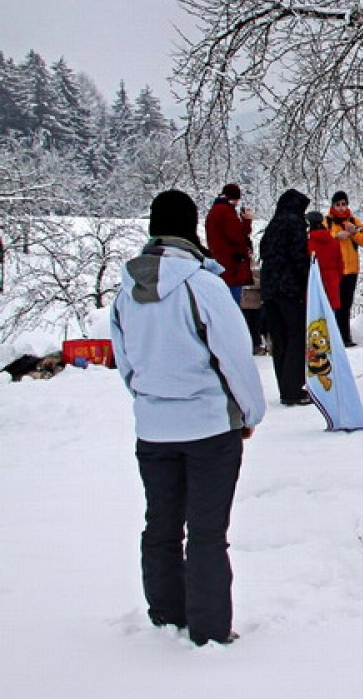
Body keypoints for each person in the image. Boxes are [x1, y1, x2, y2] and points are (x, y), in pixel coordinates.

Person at [110, 189, 266, 647]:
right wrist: (249, 413)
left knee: (160, 523)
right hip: (208, 426)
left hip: (153, 426)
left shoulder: (126, 291)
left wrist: (146, 402)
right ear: (192, 228)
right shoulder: (203, 286)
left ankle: (165, 615)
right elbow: (235, 357)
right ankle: (210, 629)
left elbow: (125, 360)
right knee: (206, 530)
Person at [258, 189, 312, 407]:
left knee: (279, 340)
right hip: (289, 289)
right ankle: (294, 388)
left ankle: (284, 387)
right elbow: (299, 255)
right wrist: (307, 280)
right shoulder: (294, 223)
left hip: (270, 290)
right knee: (296, 338)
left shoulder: (272, 225)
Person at [323, 191, 363, 346]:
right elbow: (321, 240)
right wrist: (336, 236)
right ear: (333, 205)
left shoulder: (354, 221)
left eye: (343, 204)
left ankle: (345, 336)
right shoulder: (327, 222)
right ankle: (334, 336)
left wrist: (353, 233)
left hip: (351, 269)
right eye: (338, 204)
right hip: (334, 270)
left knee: (346, 304)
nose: (341, 208)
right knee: (334, 304)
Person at [203, 184, 253, 305]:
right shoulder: (226, 212)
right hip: (231, 267)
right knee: (232, 303)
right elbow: (237, 235)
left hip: (220, 263)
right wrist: (246, 221)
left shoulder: (215, 210)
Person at [305, 212, 343, 311]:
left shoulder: (307, 243)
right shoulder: (334, 243)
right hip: (332, 282)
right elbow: (340, 266)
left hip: (314, 284)